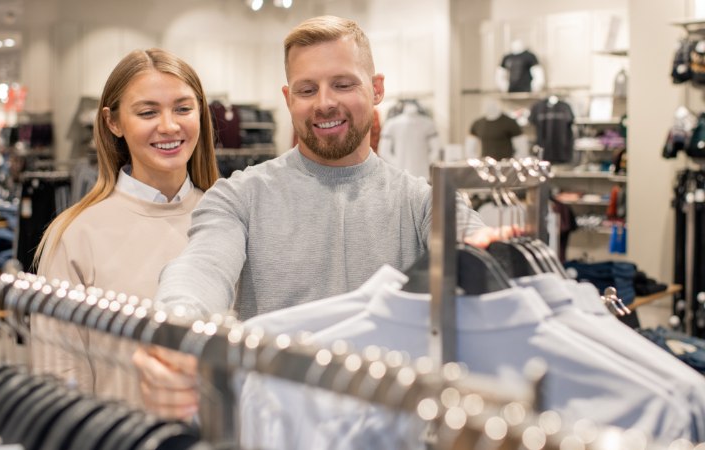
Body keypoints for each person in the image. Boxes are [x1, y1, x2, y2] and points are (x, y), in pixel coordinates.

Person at [134, 15, 485, 419]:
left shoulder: (423, 203)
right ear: (288, 98)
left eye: (342, 83)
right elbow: (200, 269)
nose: (324, 103)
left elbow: (479, 251)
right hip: (276, 431)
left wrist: (499, 256)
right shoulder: (239, 196)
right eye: (307, 89)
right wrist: (174, 331)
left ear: (376, 89)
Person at [31, 48, 220, 403]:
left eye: (183, 108)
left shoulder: (228, 220)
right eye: (148, 112)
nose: (169, 125)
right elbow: (59, 379)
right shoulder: (75, 235)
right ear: (113, 122)